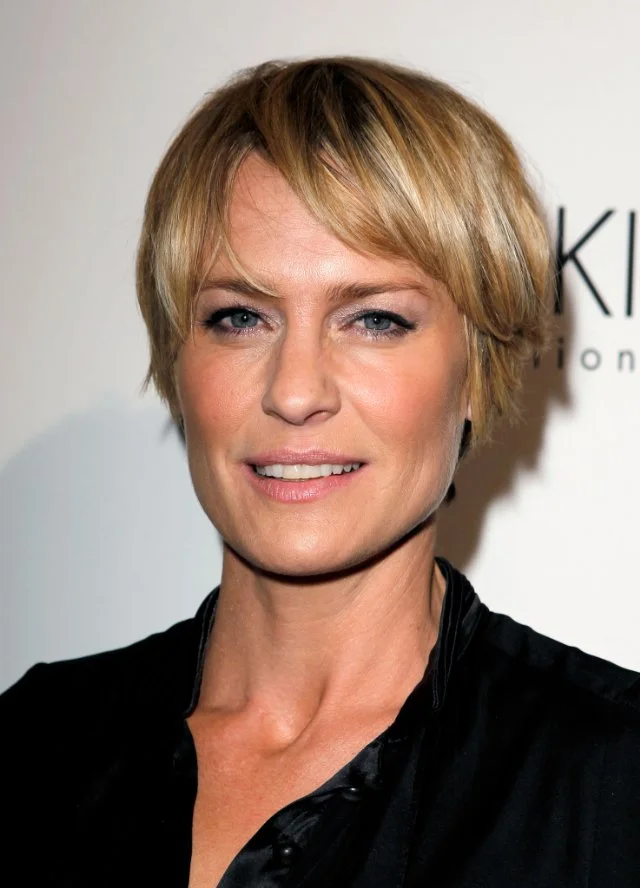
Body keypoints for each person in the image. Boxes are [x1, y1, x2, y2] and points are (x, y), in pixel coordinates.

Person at [2, 57, 638, 888]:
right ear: (177, 360)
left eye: (374, 320)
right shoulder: (34, 744)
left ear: (476, 371)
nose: (295, 391)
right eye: (239, 317)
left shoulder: (612, 785)